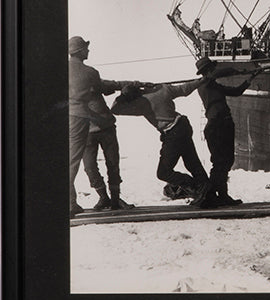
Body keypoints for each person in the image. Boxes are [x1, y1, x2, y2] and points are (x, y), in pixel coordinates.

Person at [111, 78, 212, 206]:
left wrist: (123, 95)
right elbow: (185, 89)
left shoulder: (141, 104)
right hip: (183, 125)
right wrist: (202, 80)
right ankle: (207, 191)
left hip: (172, 133)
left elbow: (115, 109)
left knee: (164, 172)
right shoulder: (164, 89)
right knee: (192, 162)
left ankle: (198, 187)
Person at [68, 36, 134, 215]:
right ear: (80, 51)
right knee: (96, 166)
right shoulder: (90, 73)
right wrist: (124, 85)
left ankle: (113, 199)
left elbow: (104, 86)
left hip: (100, 126)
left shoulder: (70, 74)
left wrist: (121, 84)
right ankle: (105, 197)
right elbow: (103, 86)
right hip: (90, 127)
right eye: (86, 48)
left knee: (95, 165)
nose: (88, 51)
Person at [196, 57, 260, 207]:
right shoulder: (204, 84)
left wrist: (250, 78)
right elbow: (213, 76)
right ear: (208, 71)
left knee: (226, 162)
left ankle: (221, 195)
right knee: (220, 162)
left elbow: (236, 92)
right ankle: (211, 195)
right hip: (217, 126)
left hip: (224, 125)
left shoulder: (215, 86)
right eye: (211, 68)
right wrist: (235, 70)